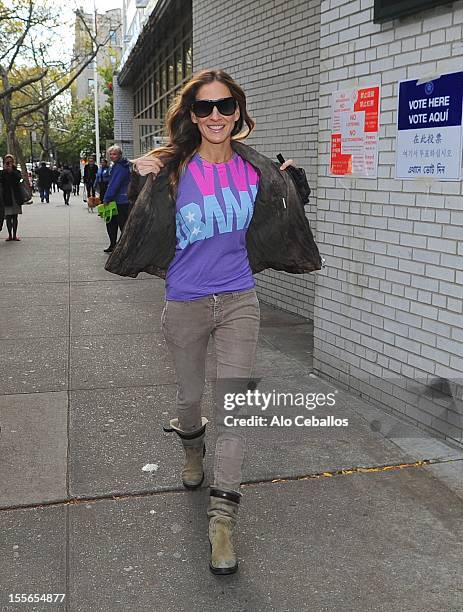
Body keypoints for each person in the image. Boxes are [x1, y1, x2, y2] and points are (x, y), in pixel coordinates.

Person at [105, 69, 321, 575]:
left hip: (239, 299)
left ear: (239, 112)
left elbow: (279, 213)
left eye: (226, 106)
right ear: (192, 115)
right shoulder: (172, 170)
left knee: (235, 408)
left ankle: (222, 517)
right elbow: (125, 202)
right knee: (188, 398)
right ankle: (191, 446)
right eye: (205, 108)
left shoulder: (256, 169)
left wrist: (293, 185)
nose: (216, 116)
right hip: (185, 301)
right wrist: (136, 172)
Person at [101, 146, 130, 253]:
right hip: (120, 199)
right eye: (111, 154)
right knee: (115, 223)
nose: (112, 156)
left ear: (120, 155)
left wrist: (106, 198)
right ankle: (116, 245)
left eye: (115, 154)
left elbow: (114, 184)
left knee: (118, 224)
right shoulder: (120, 166)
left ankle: (121, 246)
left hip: (119, 200)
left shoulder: (120, 167)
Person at [1, 154, 23, 241]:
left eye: (10, 162)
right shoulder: (2, 172)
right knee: (8, 217)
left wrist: (11, 171)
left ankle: (15, 235)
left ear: (13, 162)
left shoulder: (16, 171)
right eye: (7, 162)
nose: (8, 163)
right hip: (6, 197)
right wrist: (5, 171)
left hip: (16, 197)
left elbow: (18, 179)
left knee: (15, 217)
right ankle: (10, 235)